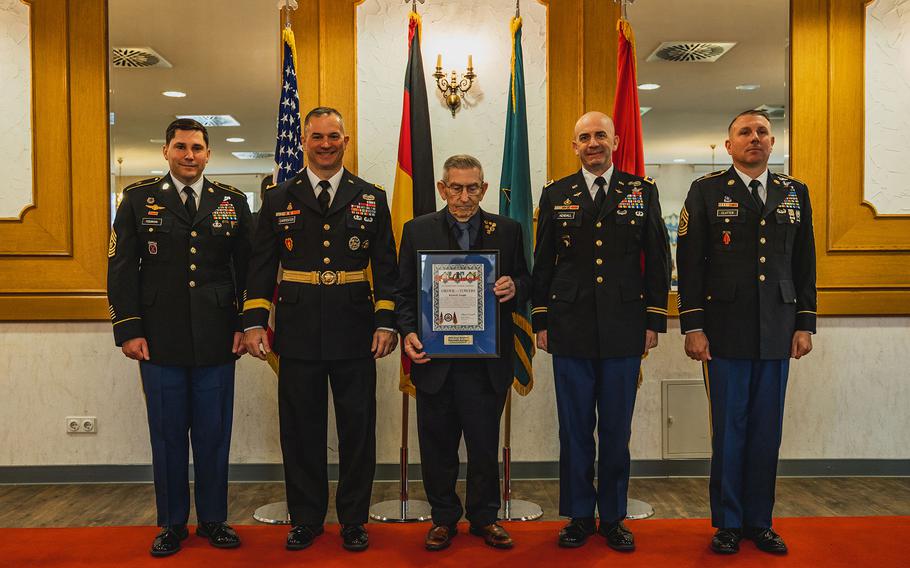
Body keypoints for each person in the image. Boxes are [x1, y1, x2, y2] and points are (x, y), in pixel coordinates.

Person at [241, 107, 398, 552]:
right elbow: (261, 266)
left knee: (357, 430)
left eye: (333, 136)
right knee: (300, 429)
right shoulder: (277, 197)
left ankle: (353, 519)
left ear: (346, 140)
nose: (325, 144)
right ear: (304, 141)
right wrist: (255, 321)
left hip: (355, 329)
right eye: (317, 137)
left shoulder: (371, 195)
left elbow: (385, 267)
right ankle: (306, 518)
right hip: (297, 329)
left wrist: (386, 319)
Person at [107, 118, 252, 557]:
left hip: (216, 338)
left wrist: (245, 324)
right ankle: (171, 523)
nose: (189, 155)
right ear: (166, 151)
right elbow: (120, 268)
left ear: (209, 154)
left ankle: (213, 520)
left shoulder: (232, 201)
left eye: (197, 148)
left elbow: (247, 269)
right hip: (160, 339)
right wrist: (128, 329)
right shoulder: (138, 199)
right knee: (167, 436)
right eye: (181, 147)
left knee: (213, 434)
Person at [676, 109, 816, 555]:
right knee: (730, 430)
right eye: (744, 133)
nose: (754, 138)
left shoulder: (794, 193)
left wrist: (804, 323)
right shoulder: (706, 191)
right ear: (729, 144)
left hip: (777, 328)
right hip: (725, 331)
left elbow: (805, 262)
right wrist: (693, 326)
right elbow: (690, 263)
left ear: (772, 144)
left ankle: (760, 521)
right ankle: (729, 522)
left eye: (762, 132)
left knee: (766, 430)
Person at [532, 111, 670, 551]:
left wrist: (653, 320)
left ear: (616, 140)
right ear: (574, 146)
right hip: (569, 327)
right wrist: (541, 319)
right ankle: (577, 515)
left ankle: (612, 517)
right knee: (573, 429)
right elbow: (544, 262)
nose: (593, 143)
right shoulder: (556, 193)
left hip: (624, 328)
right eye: (584, 137)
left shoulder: (641, 191)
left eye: (600, 136)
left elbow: (658, 260)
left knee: (615, 428)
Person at [395, 154, 530, 551]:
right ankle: (443, 519)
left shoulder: (507, 230)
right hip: (435, 361)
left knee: (484, 447)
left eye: (473, 188)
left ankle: (485, 519)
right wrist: (407, 333)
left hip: (487, 362)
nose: (464, 196)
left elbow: (527, 278)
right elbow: (403, 293)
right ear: (442, 188)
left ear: (484, 189)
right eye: (456, 187)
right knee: (437, 447)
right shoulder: (417, 230)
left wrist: (514, 287)